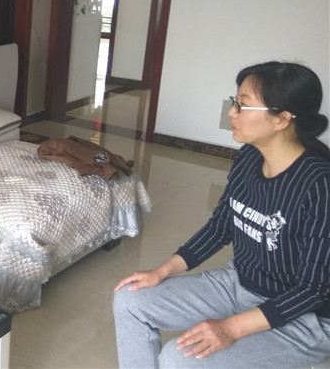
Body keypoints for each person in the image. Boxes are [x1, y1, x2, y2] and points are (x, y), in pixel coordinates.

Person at [113, 61, 330, 368]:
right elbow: (219, 228)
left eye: (242, 105)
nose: (231, 112)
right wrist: (162, 271)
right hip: (239, 283)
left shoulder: (319, 184)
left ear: (281, 119)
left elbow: (313, 289)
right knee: (130, 299)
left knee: (179, 359)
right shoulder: (248, 157)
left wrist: (231, 328)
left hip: (303, 318)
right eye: (234, 102)